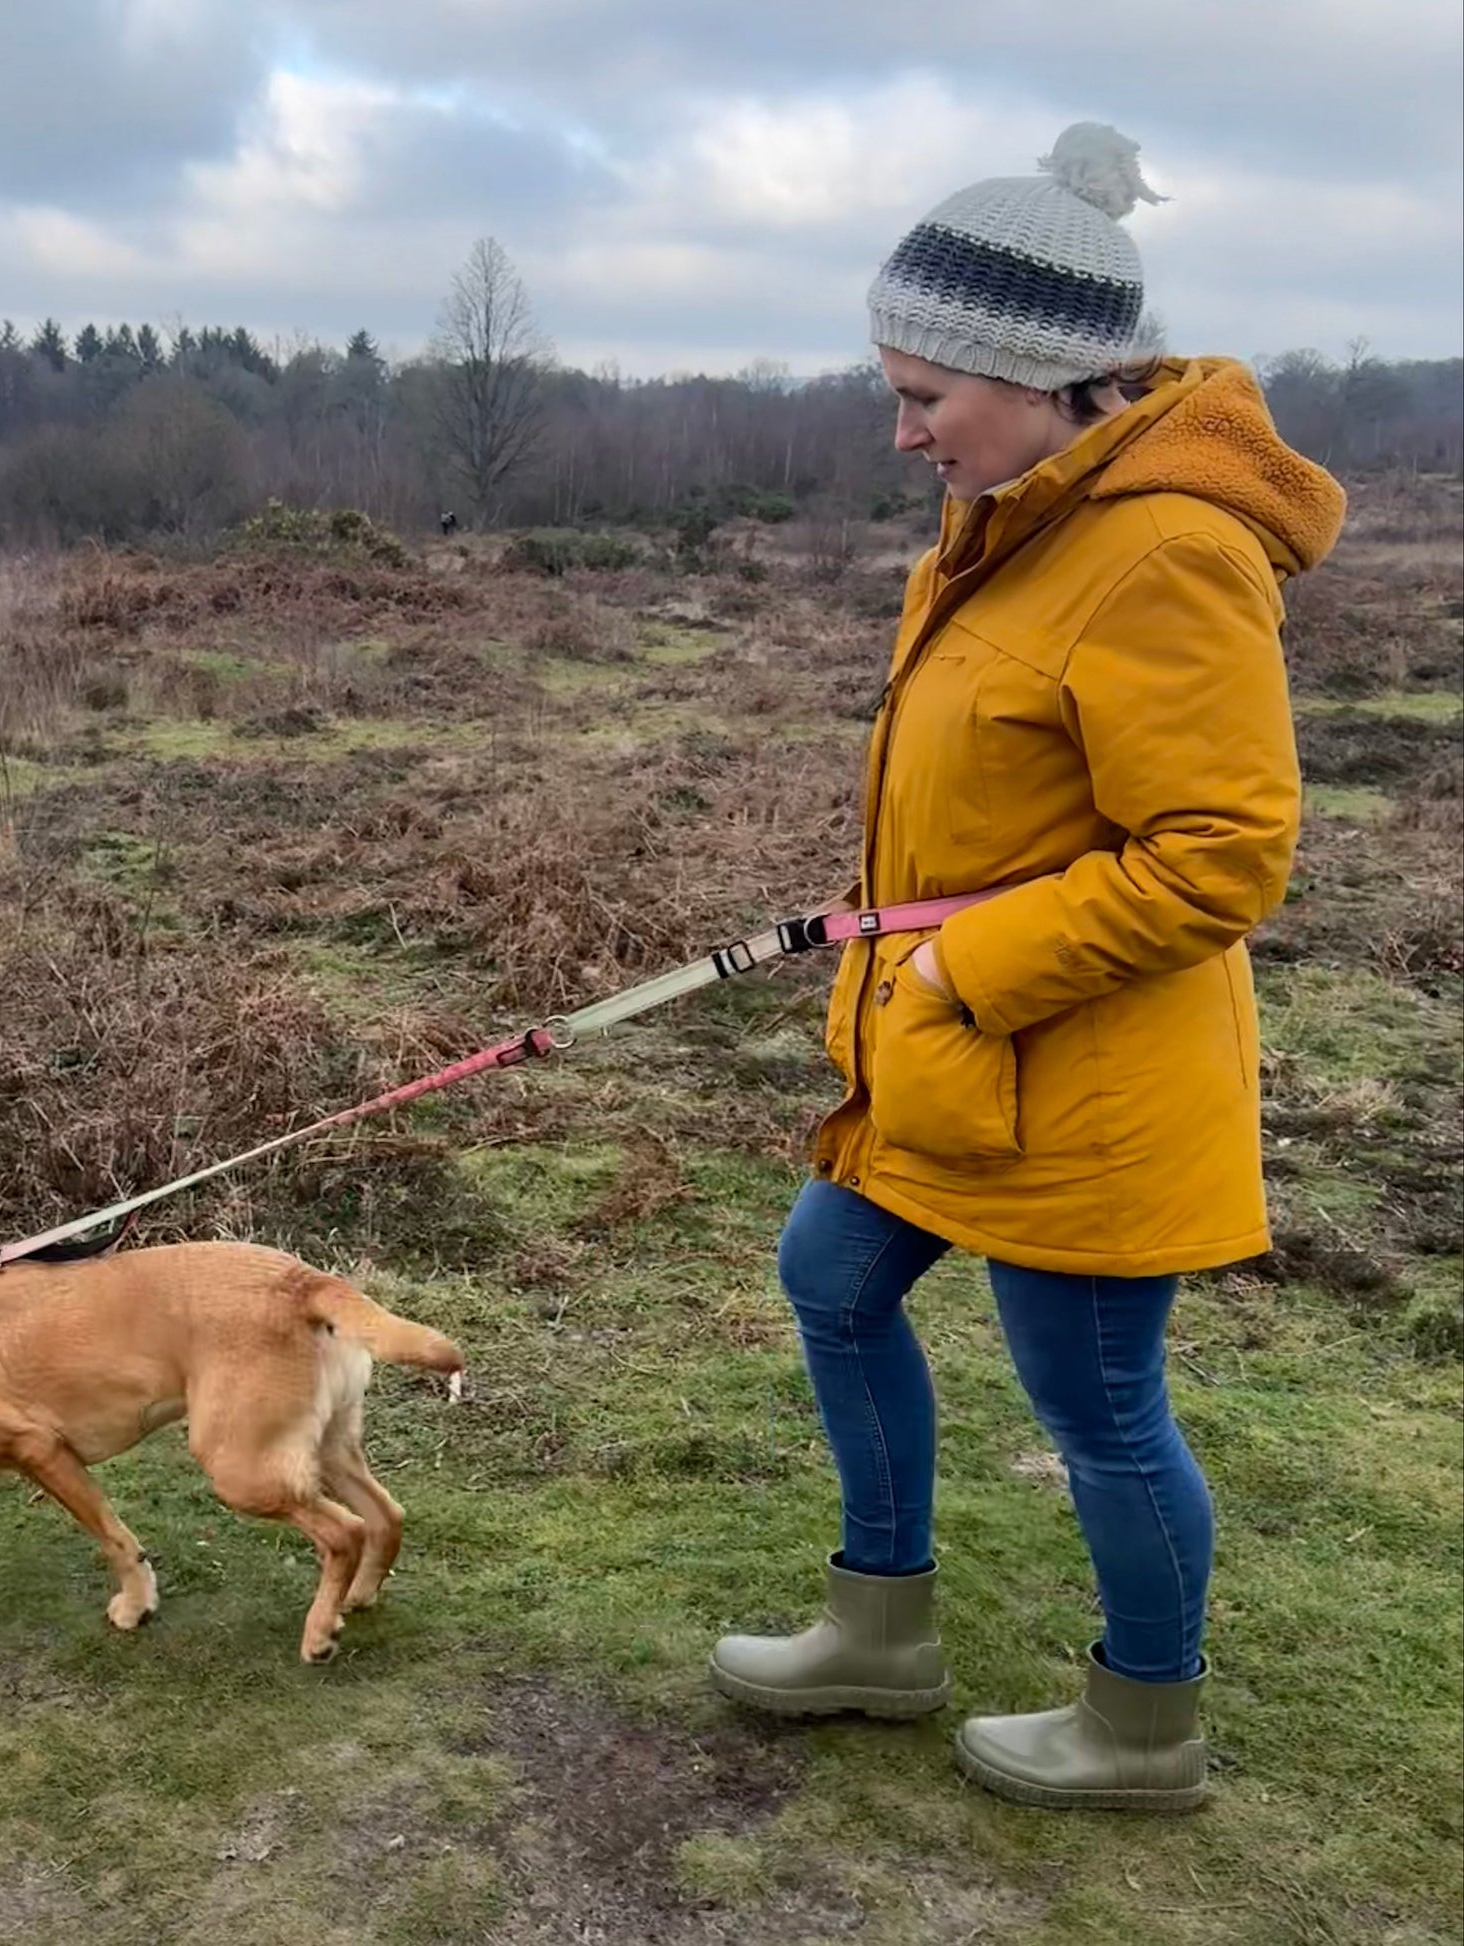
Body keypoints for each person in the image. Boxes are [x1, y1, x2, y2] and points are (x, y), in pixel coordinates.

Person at [708, 123, 1346, 1813]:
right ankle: (879, 1630)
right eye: (892, 386)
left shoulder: (1166, 553)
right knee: (830, 1283)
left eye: (926, 395)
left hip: (1083, 1069)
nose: (898, 427)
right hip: (951, 1045)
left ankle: (1145, 1723)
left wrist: (966, 965)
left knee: (1095, 1401)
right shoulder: (1005, 520)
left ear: (1050, 380)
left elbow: (1218, 853)